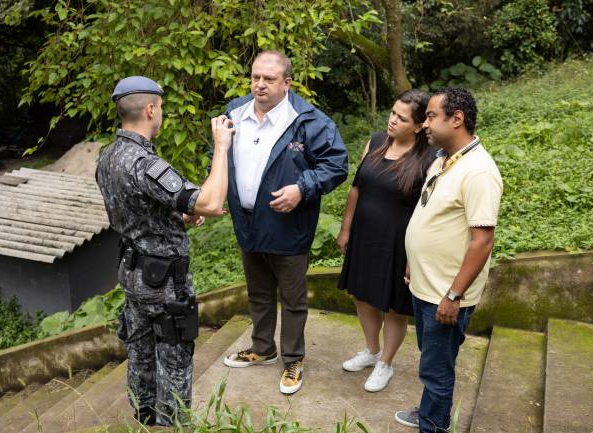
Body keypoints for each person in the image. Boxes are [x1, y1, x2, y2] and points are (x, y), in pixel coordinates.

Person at [95, 76, 235, 426]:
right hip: (163, 282)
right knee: (173, 357)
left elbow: (134, 206)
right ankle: (173, 424)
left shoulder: (108, 156)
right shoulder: (144, 163)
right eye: (162, 108)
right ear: (150, 109)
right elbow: (213, 202)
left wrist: (176, 216)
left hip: (132, 271)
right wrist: (221, 147)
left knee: (140, 350)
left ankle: (145, 418)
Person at [217, 50, 349, 395]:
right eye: (255, 77)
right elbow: (220, 161)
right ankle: (262, 348)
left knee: (292, 298)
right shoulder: (234, 112)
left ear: (287, 82)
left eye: (269, 79)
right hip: (247, 223)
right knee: (258, 293)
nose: (259, 85)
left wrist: (302, 188)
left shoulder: (309, 121)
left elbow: (336, 165)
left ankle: (293, 358)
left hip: (289, 225)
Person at [394, 87, 503, 432]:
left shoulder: (479, 172)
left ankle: (433, 425)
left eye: (430, 116)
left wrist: (453, 295)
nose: (424, 124)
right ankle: (430, 410)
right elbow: (431, 213)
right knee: (432, 362)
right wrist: (413, 257)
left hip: (445, 294)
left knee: (437, 371)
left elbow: (482, 241)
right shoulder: (443, 159)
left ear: (456, 119)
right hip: (426, 285)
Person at [337, 89, 435, 392]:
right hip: (364, 234)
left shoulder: (429, 158)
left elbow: (428, 208)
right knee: (360, 294)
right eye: (392, 113)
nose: (392, 120)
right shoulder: (377, 141)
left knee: (394, 305)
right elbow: (357, 189)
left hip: (398, 241)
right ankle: (371, 350)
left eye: (401, 118)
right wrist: (346, 228)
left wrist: (416, 253)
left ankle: (386, 363)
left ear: (419, 125)